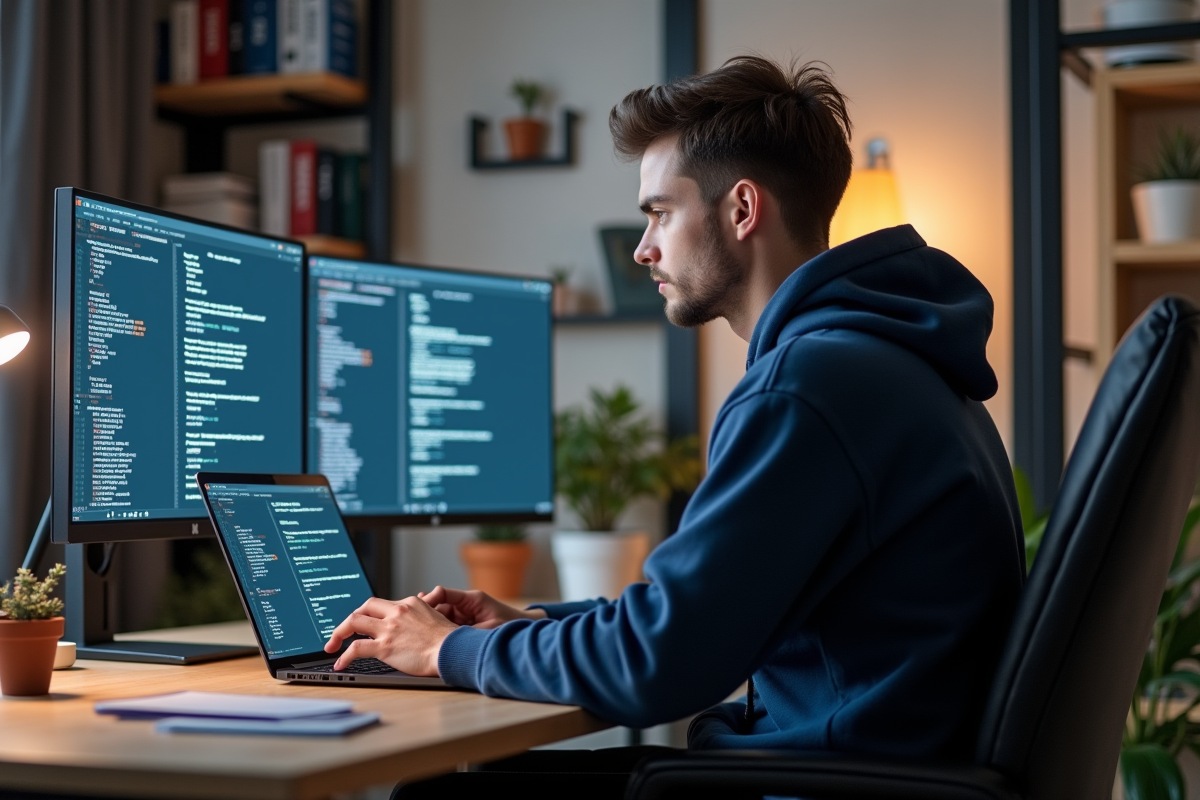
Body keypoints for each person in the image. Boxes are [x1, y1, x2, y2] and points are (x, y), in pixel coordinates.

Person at [325, 55, 1025, 799]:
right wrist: (522, 625)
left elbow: (656, 662)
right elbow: (691, 622)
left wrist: (451, 651)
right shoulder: (885, 362)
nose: (642, 248)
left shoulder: (806, 388)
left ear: (742, 210)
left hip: (825, 784)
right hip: (867, 767)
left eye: (659, 211)